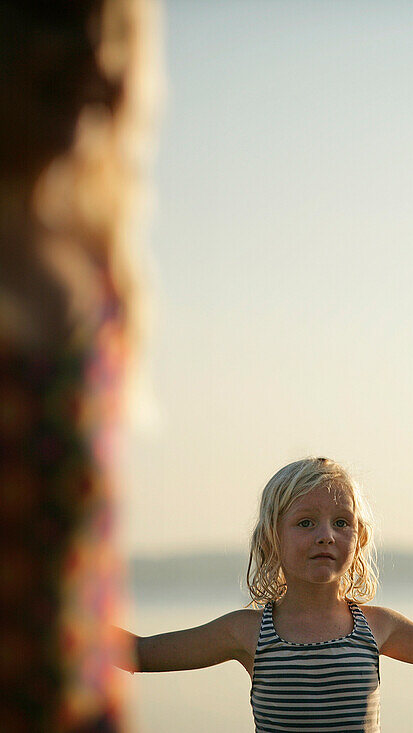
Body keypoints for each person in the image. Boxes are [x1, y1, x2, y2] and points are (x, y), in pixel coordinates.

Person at [117, 456, 413, 731]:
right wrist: (57, 608)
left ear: (359, 541)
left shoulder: (375, 626)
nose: (325, 536)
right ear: (272, 539)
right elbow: (140, 653)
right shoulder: (248, 631)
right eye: (305, 522)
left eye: (341, 523)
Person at [0, 0, 156, 728]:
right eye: (57, 17)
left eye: (111, 30)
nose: (95, 58)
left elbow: (82, 599)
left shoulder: (97, 275)